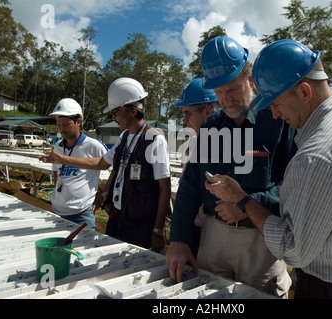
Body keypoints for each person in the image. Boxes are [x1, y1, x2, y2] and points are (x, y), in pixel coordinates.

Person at [205, 39, 332, 299]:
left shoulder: (317, 154)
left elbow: (294, 250)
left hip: (330, 286)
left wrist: (243, 201)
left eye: (276, 104)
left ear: (304, 92)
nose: (274, 115)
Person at [166, 36, 297, 298]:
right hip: (214, 237)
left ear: (251, 81)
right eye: (219, 92)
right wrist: (178, 240)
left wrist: (247, 204)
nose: (226, 99)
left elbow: (296, 186)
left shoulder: (278, 120)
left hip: (260, 239)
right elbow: (190, 184)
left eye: (232, 89)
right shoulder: (212, 126)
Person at [40, 78, 171, 253]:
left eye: (115, 112)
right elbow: (102, 163)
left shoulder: (154, 139)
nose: (113, 118)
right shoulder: (124, 137)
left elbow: (165, 188)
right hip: (118, 219)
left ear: (132, 111)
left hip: (141, 224)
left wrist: (158, 229)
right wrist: (63, 160)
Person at [172, 78, 220, 258]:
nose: (184, 121)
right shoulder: (191, 145)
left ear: (207, 111)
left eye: (187, 114)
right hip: (193, 229)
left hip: (215, 232)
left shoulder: (227, 146)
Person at [48, 98, 109, 230]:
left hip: (81, 215)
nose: (62, 129)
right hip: (57, 211)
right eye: (59, 125)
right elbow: (56, 171)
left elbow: (114, 169)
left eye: (66, 124)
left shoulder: (94, 146)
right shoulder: (58, 146)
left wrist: (103, 194)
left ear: (78, 122)